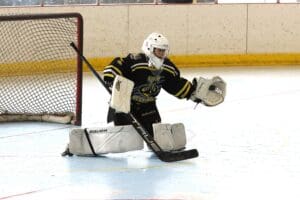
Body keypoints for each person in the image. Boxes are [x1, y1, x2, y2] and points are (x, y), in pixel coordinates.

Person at [103, 32, 226, 137]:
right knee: (124, 138)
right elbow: (117, 64)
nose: (162, 54)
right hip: (125, 105)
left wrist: (192, 93)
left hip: (148, 106)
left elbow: (174, 84)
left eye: (164, 51)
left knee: (158, 136)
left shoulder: (167, 67)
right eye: (159, 50)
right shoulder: (136, 61)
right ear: (149, 48)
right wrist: (110, 78)